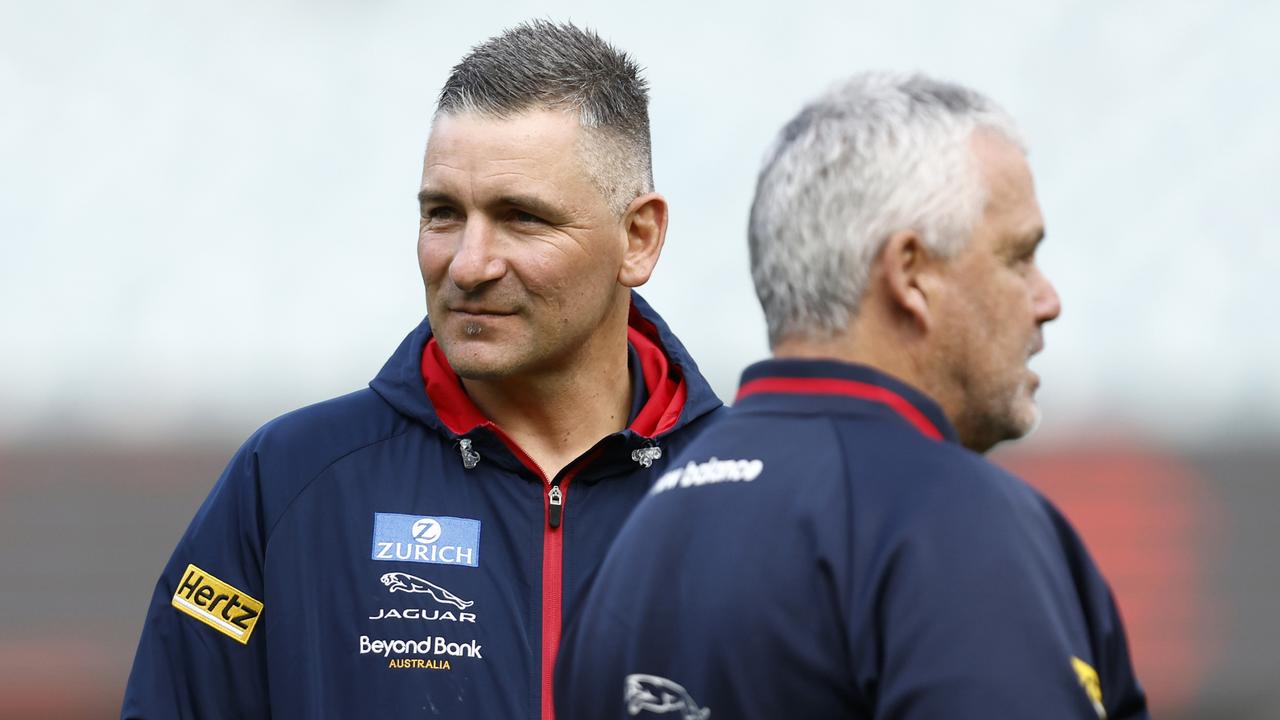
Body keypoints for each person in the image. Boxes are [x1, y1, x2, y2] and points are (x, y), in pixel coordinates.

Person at [122, 21, 723, 720]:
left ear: (638, 238)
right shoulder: (286, 482)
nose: (468, 264)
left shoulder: (763, 500)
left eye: (521, 218)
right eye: (444, 214)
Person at [556, 72, 1149, 719]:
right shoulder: (949, 519)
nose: (1047, 300)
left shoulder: (631, 545)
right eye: (1018, 257)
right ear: (911, 274)